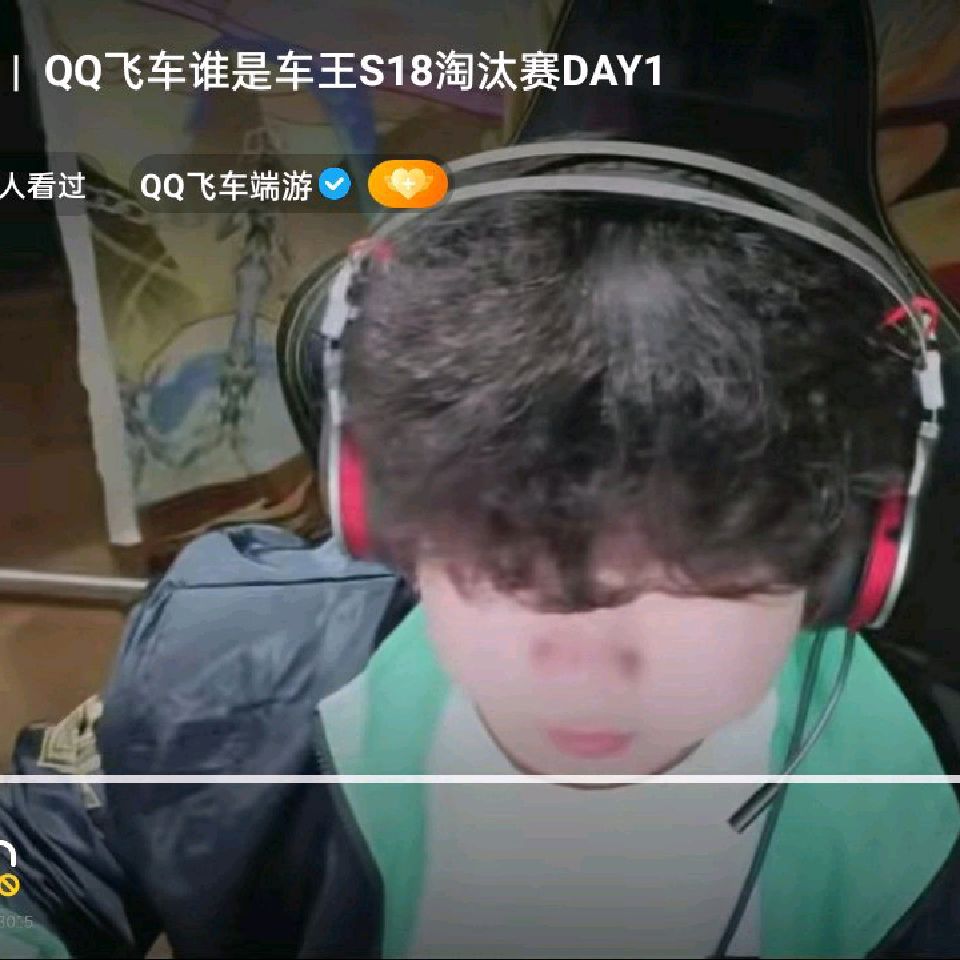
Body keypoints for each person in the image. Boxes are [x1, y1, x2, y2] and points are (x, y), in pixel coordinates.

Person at [3, 161, 960, 960]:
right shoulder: (228, 663)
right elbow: (38, 851)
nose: (587, 673)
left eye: (696, 579)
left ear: (850, 564)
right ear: (385, 515)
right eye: (510, 564)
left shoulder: (921, 822)